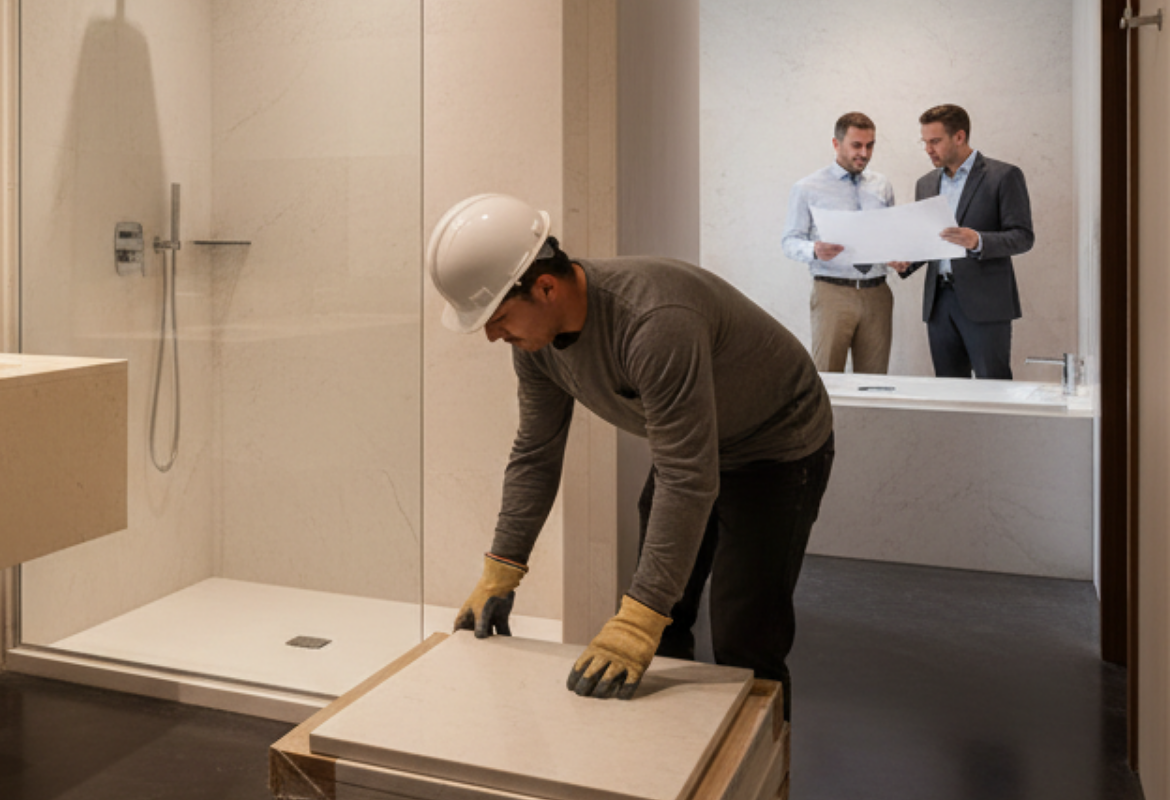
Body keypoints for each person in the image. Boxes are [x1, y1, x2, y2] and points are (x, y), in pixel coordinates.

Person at [433, 194, 833, 718]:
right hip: (694, 444)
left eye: (498, 316)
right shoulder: (535, 346)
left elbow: (687, 478)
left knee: (743, 637)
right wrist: (501, 570)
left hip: (776, 446)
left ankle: (762, 776)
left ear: (545, 287)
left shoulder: (653, 320)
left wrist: (637, 619)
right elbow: (535, 453)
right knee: (664, 621)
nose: (491, 335)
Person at [895, 104, 1034, 379]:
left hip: (986, 302)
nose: (928, 149)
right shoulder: (925, 184)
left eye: (935, 141)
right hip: (939, 304)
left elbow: (1023, 237)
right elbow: (930, 240)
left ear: (959, 137)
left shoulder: (1003, 176)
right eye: (925, 142)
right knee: (948, 391)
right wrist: (907, 262)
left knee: (993, 387)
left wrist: (978, 240)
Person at [780, 112, 898, 374]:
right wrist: (814, 250)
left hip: (878, 293)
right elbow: (789, 241)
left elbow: (889, 236)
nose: (864, 153)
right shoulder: (807, 188)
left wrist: (897, 256)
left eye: (870, 145)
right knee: (827, 378)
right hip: (832, 292)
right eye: (856, 145)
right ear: (836, 144)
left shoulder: (882, 186)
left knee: (874, 382)